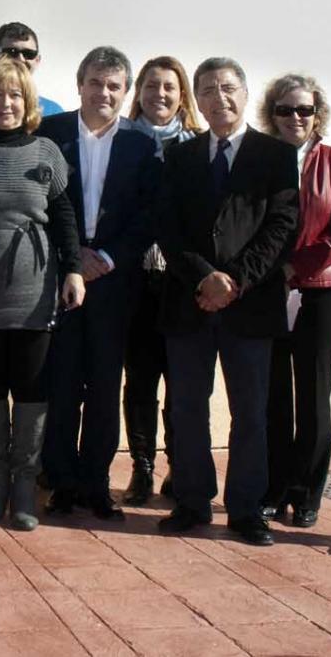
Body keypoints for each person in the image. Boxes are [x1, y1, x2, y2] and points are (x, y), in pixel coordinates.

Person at [156, 56, 298, 547]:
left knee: (251, 412)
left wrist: (234, 281)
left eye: (229, 87)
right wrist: (204, 279)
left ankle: (245, 508)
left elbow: (281, 228)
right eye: (209, 90)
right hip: (189, 302)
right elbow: (168, 229)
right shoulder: (179, 157)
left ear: (244, 91)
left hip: (251, 304)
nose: (220, 98)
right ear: (197, 99)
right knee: (188, 408)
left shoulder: (276, 156)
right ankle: (192, 501)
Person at [0, 58, 83, 530]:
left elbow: (65, 216)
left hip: (34, 289)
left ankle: (26, 484)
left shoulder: (47, 151)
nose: (6, 104)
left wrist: (73, 271)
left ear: (27, 103)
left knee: (31, 389)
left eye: (14, 96)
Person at [39, 47, 160, 521]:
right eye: (96, 82)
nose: (104, 93)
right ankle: (62, 483)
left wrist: (106, 258)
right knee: (62, 384)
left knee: (106, 386)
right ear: (80, 84)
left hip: (114, 282)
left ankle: (96, 484)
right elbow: (42, 206)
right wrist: (73, 260)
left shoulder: (141, 143)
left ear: (125, 91)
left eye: (114, 85)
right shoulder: (50, 135)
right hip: (62, 280)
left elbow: (148, 215)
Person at [256, 74, 331, 529]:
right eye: (285, 110)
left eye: (304, 110)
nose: (295, 118)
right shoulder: (260, 160)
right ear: (271, 114)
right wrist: (272, 272)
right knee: (273, 395)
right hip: (269, 290)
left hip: (321, 289)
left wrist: (298, 268)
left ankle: (307, 491)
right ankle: (273, 487)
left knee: (314, 396)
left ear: (317, 114)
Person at [120, 55, 202, 505]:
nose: (160, 95)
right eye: (151, 86)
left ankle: (177, 463)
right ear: (140, 92)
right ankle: (142, 466)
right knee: (140, 381)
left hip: (180, 283)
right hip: (135, 281)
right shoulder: (123, 141)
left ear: (181, 94)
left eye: (169, 87)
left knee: (181, 379)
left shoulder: (196, 145)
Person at [0, 22, 63, 117]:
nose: (20, 60)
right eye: (11, 52)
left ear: (37, 60)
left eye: (28, 53)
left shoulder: (54, 114)